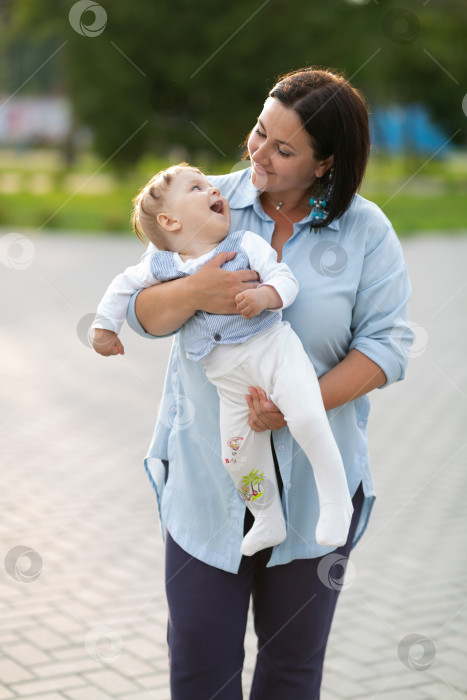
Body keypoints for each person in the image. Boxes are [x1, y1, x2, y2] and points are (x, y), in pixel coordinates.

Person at [124, 68, 412, 699]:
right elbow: (138, 315)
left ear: (326, 163)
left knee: (290, 675)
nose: (258, 154)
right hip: (207, 485)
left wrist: (295, 404)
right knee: (200, 672)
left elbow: (387, 348)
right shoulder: (206, 201)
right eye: (259, 133)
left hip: (315, 501)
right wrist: (194, 291)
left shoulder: (365, 232)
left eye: (284, 150)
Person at [92, 163, 354, 557]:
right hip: (229, 384)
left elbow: (284, 277)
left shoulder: (245, 243)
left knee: (305, 416)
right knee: (236, 455)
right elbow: (121, 287)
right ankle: (266, 516)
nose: (215, 191)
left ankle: (336, 501)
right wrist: (103, 328)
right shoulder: (162, 265)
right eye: (198, 188)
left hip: (274, 353)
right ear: (170, 220)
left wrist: (266, 296)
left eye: (212, 185)